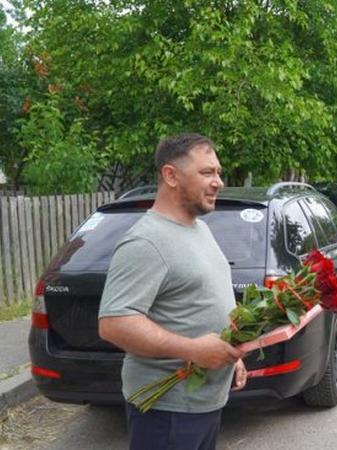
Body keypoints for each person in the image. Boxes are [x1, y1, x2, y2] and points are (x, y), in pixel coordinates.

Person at [98, 133, 248, 449]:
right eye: (207, 173)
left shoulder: (199, 228)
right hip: (167, 411)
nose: (218, 182)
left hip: (204, 404)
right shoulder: (146, 241)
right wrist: (193, 349)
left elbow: (198, 301)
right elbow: (114, 323)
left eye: (218, 172)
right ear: (171, 176)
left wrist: (229, 357)